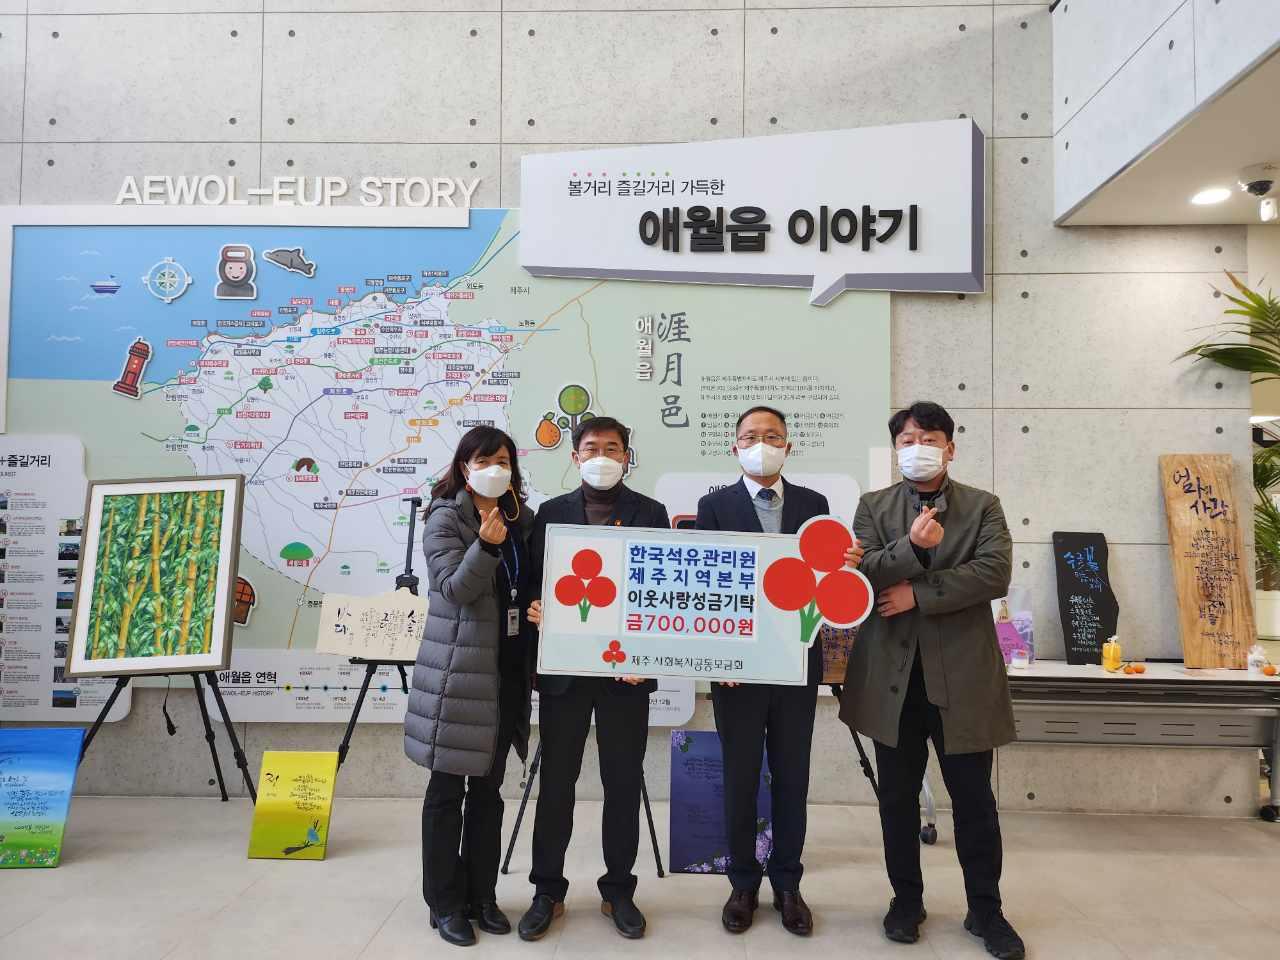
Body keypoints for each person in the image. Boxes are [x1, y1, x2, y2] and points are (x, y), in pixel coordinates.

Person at [840, 401, 1025, 960]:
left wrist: (919, 592)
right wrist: (912, 548)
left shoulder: (982, 506)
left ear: (950, 447)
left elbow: (994, 572)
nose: (917, 446)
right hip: (890, 680)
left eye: (930, 437)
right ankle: (906, 900)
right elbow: (861, 575)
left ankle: (986, 910)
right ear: (895, 447)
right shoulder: (873, 506)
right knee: (895, 797)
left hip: (963, 677)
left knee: (974, 800)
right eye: (907, 438)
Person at [695, 405, 862, 937]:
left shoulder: (815, 505)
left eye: (771, 436)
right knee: (740, 779)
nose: (760, 443)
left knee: (793, 776)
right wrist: (719, 659)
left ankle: (788, 882)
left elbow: (824, 578)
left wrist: (847, 567)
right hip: (737, 671)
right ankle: (742, 882)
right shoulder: (714, 505)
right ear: (734, 446)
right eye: (750, 436)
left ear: (788, 446)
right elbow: (708, 588)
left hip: (796, 664)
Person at [517, 416, 670, 942]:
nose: (601, 455)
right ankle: (547, 890)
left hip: (625, 674)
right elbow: (530, 585)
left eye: (612, 448)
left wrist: (648, 651)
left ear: (627, 456)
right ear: (575, 457)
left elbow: (661, 592)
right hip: (565, 674)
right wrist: (535, 608)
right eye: (591, 447)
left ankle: (619, 889)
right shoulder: (550, 514)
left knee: (623, 783)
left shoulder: (650, 513)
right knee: (556, 783)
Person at [404, 425, 536, 948]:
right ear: (464, 467)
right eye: (485, 460)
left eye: (503, 459)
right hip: (458, 676)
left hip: (505, 671)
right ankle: (444, 902)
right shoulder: (444, 518)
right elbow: (454, 590)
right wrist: (484, 544)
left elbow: (523, 586)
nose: (495, 468)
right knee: (446, 792)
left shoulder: (519, 519)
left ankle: (482, 895)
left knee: (488, 792)